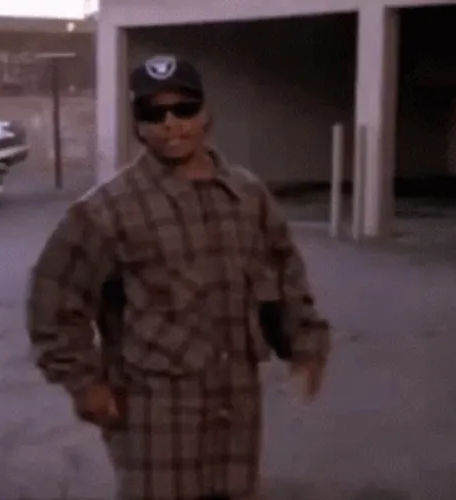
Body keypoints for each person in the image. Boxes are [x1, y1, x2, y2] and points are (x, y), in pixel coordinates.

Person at [26, 54, 332, 500]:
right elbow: (53, 299)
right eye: (154, 113)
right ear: (138, 125)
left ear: (206, 113)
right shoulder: (105, 210)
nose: (171, 123)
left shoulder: (247, 196)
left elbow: (285, 274)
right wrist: (84, 384)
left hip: (236, 415)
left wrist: (305, 344)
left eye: (183, 108)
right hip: (156, 420)